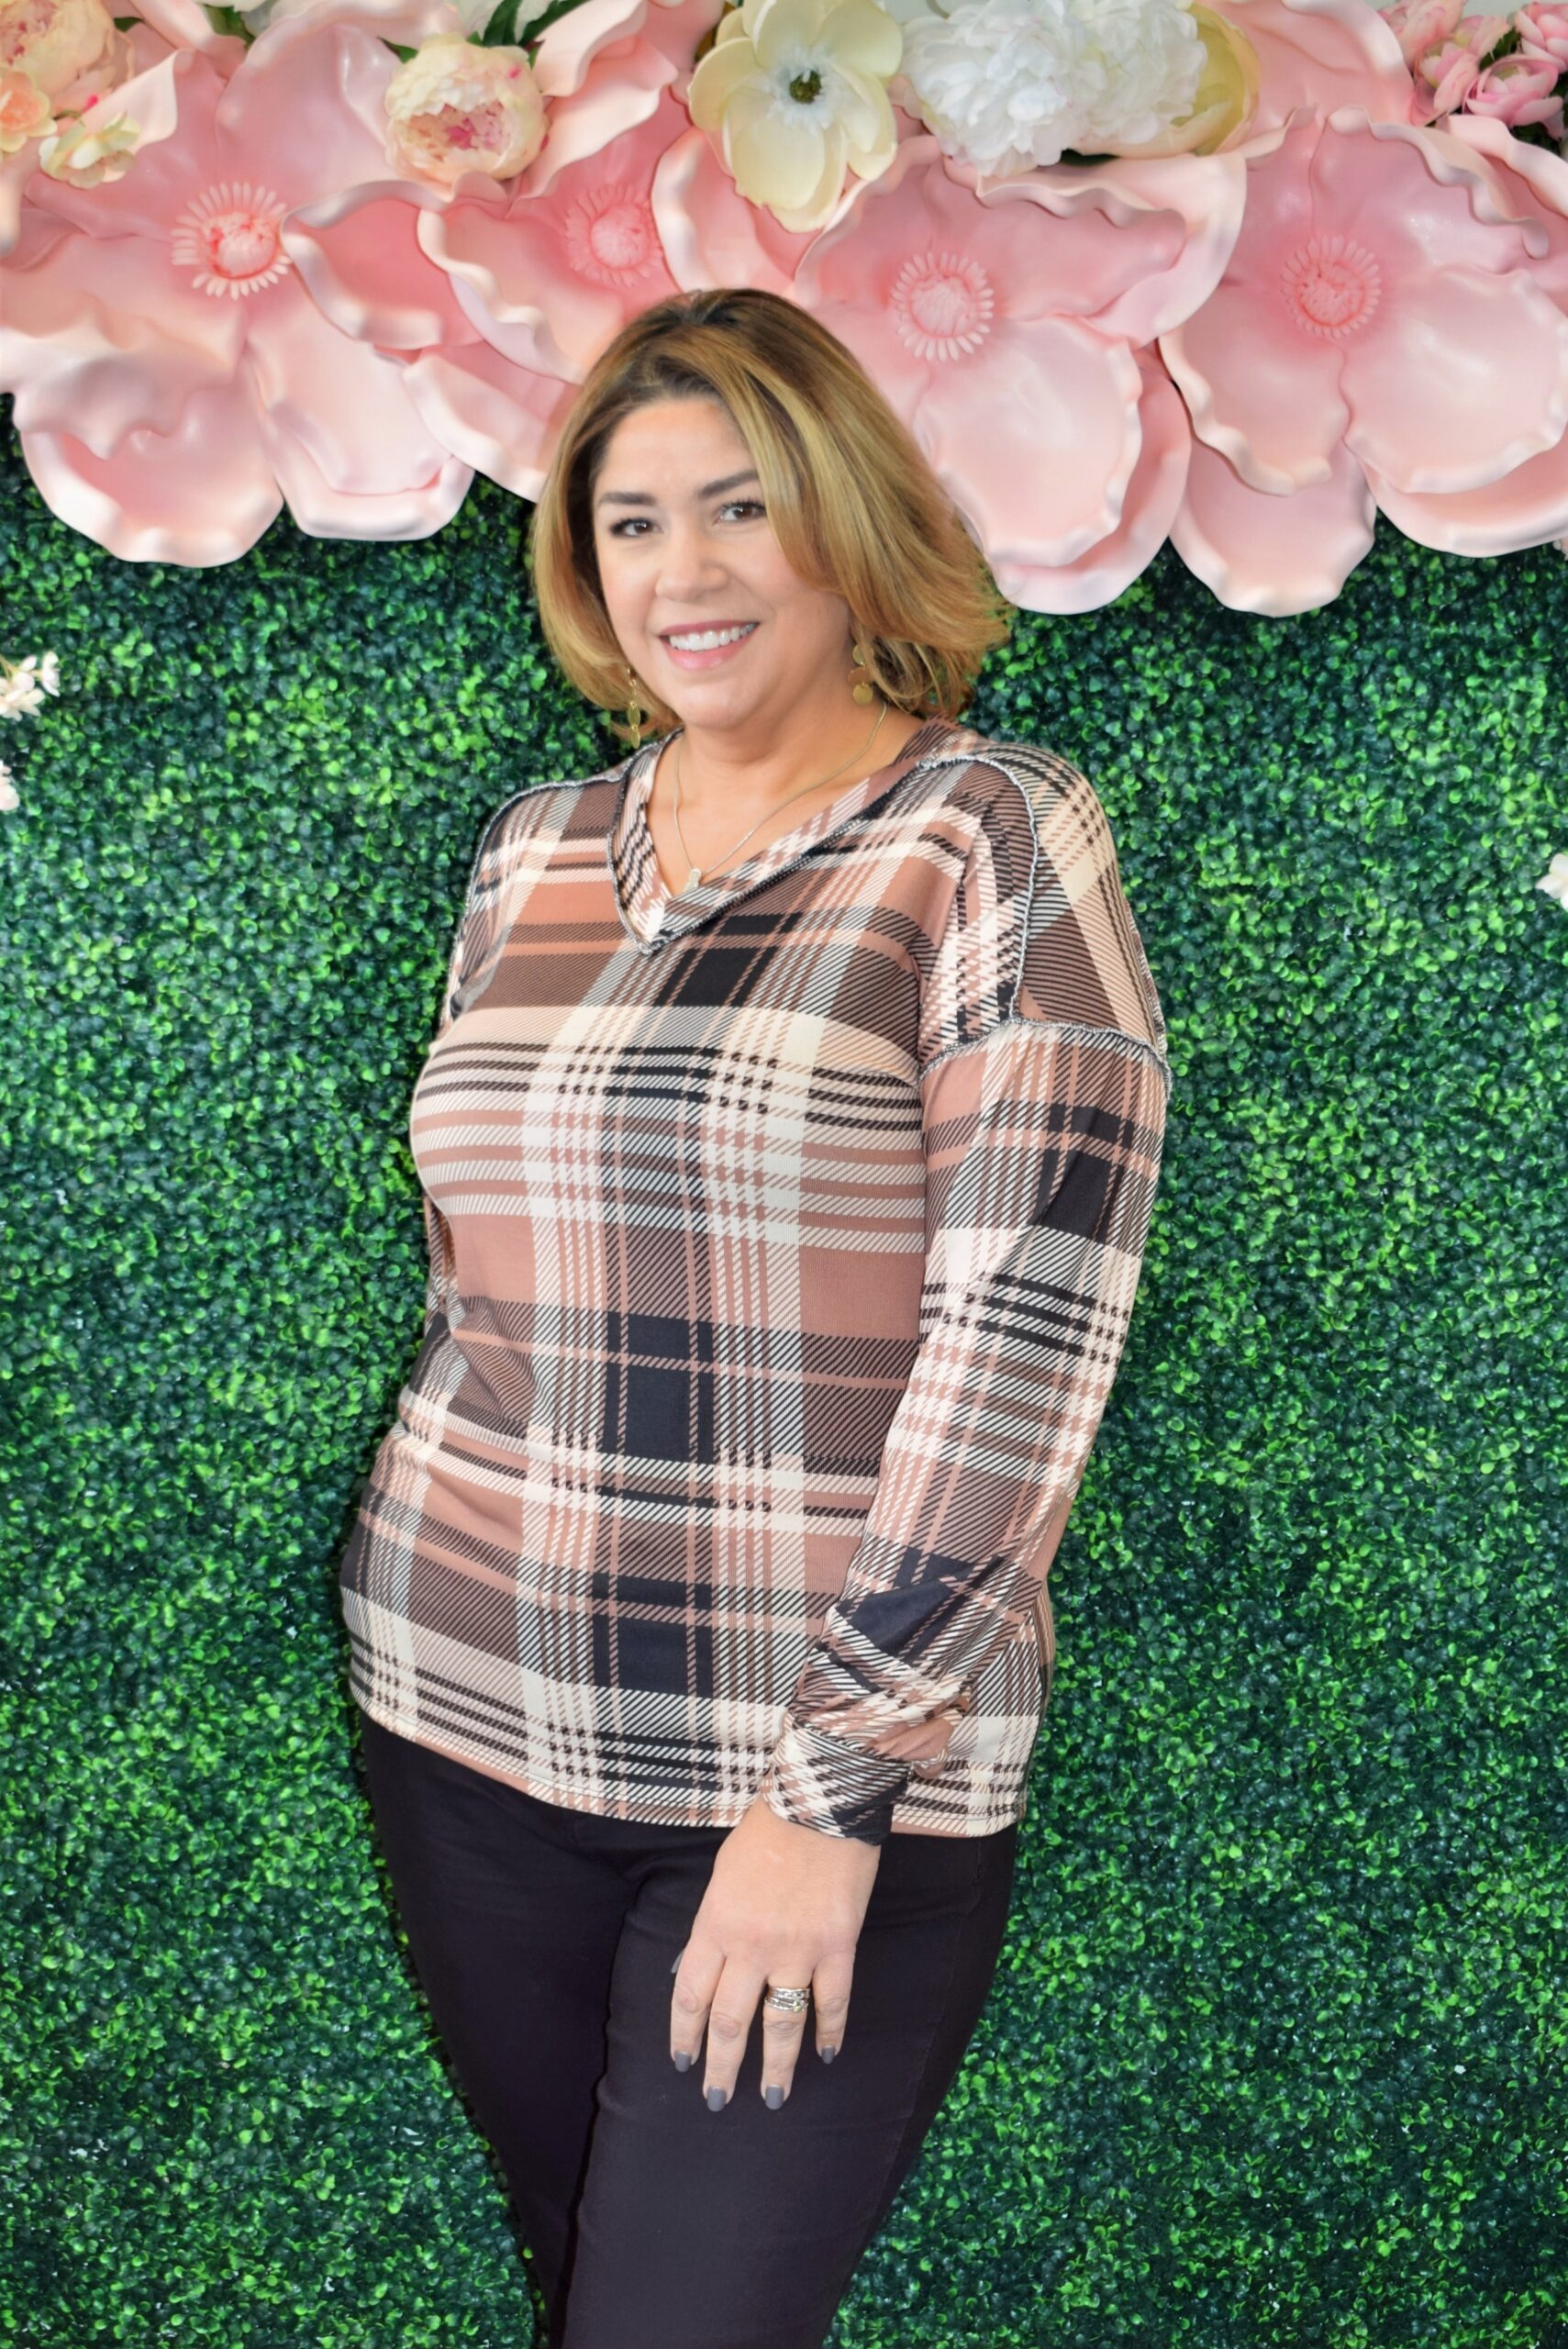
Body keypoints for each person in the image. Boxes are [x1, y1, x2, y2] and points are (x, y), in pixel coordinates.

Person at [339, 285, 1173, 2349]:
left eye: (738, 508)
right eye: (631, 523)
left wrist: (826, 1794)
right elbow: (482, 1271)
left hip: (807, 1765)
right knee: (587, 2286)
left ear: (844, 518)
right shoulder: (534, 850)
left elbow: (1027, 1334)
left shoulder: (987, 833)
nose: (682, 573)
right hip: (465, 1710)